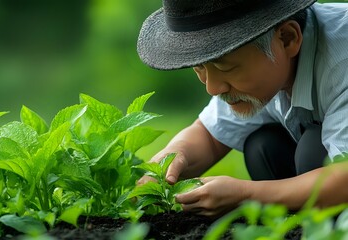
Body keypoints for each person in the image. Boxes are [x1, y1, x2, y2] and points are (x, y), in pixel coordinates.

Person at [136, 0, 348, 217]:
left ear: (287, 38)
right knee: (264, 147)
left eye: (226, 67)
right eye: (200, 67)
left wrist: (246, 195)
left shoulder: (342, 57)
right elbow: (210, 135)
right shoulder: (264, 70)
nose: (212, 88)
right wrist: (173, 157)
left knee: (312, 152)